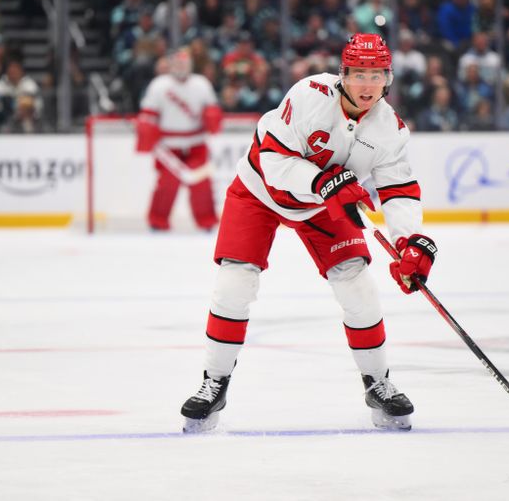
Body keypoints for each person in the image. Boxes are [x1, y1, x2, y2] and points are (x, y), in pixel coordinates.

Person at [180, 33, 438, 433]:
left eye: (376, 75)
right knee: (235, 281)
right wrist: (325, 183)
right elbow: (275, 162)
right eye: (359, 74)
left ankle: (378, 382)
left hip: (323, 206)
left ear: (388, 78)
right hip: (259, 191)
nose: (367, 85)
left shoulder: (391, 129)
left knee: (358, 286)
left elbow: (399, 189)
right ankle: (214, 382)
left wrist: (410, 241)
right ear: (343, 74)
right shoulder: (308, 95)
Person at [136, 48, 222, 231]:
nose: (181, 66)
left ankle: (207, 221)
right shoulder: (159, 85)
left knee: (201, 184)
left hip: (196, 143)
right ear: (170, 64)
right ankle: (157, 221)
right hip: (168, 147)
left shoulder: (201, 84)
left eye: (185, 62)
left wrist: (212, 117)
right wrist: (145, 132)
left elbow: (212, 108)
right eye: (178, 62)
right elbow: (148, 114)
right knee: (167, 184)